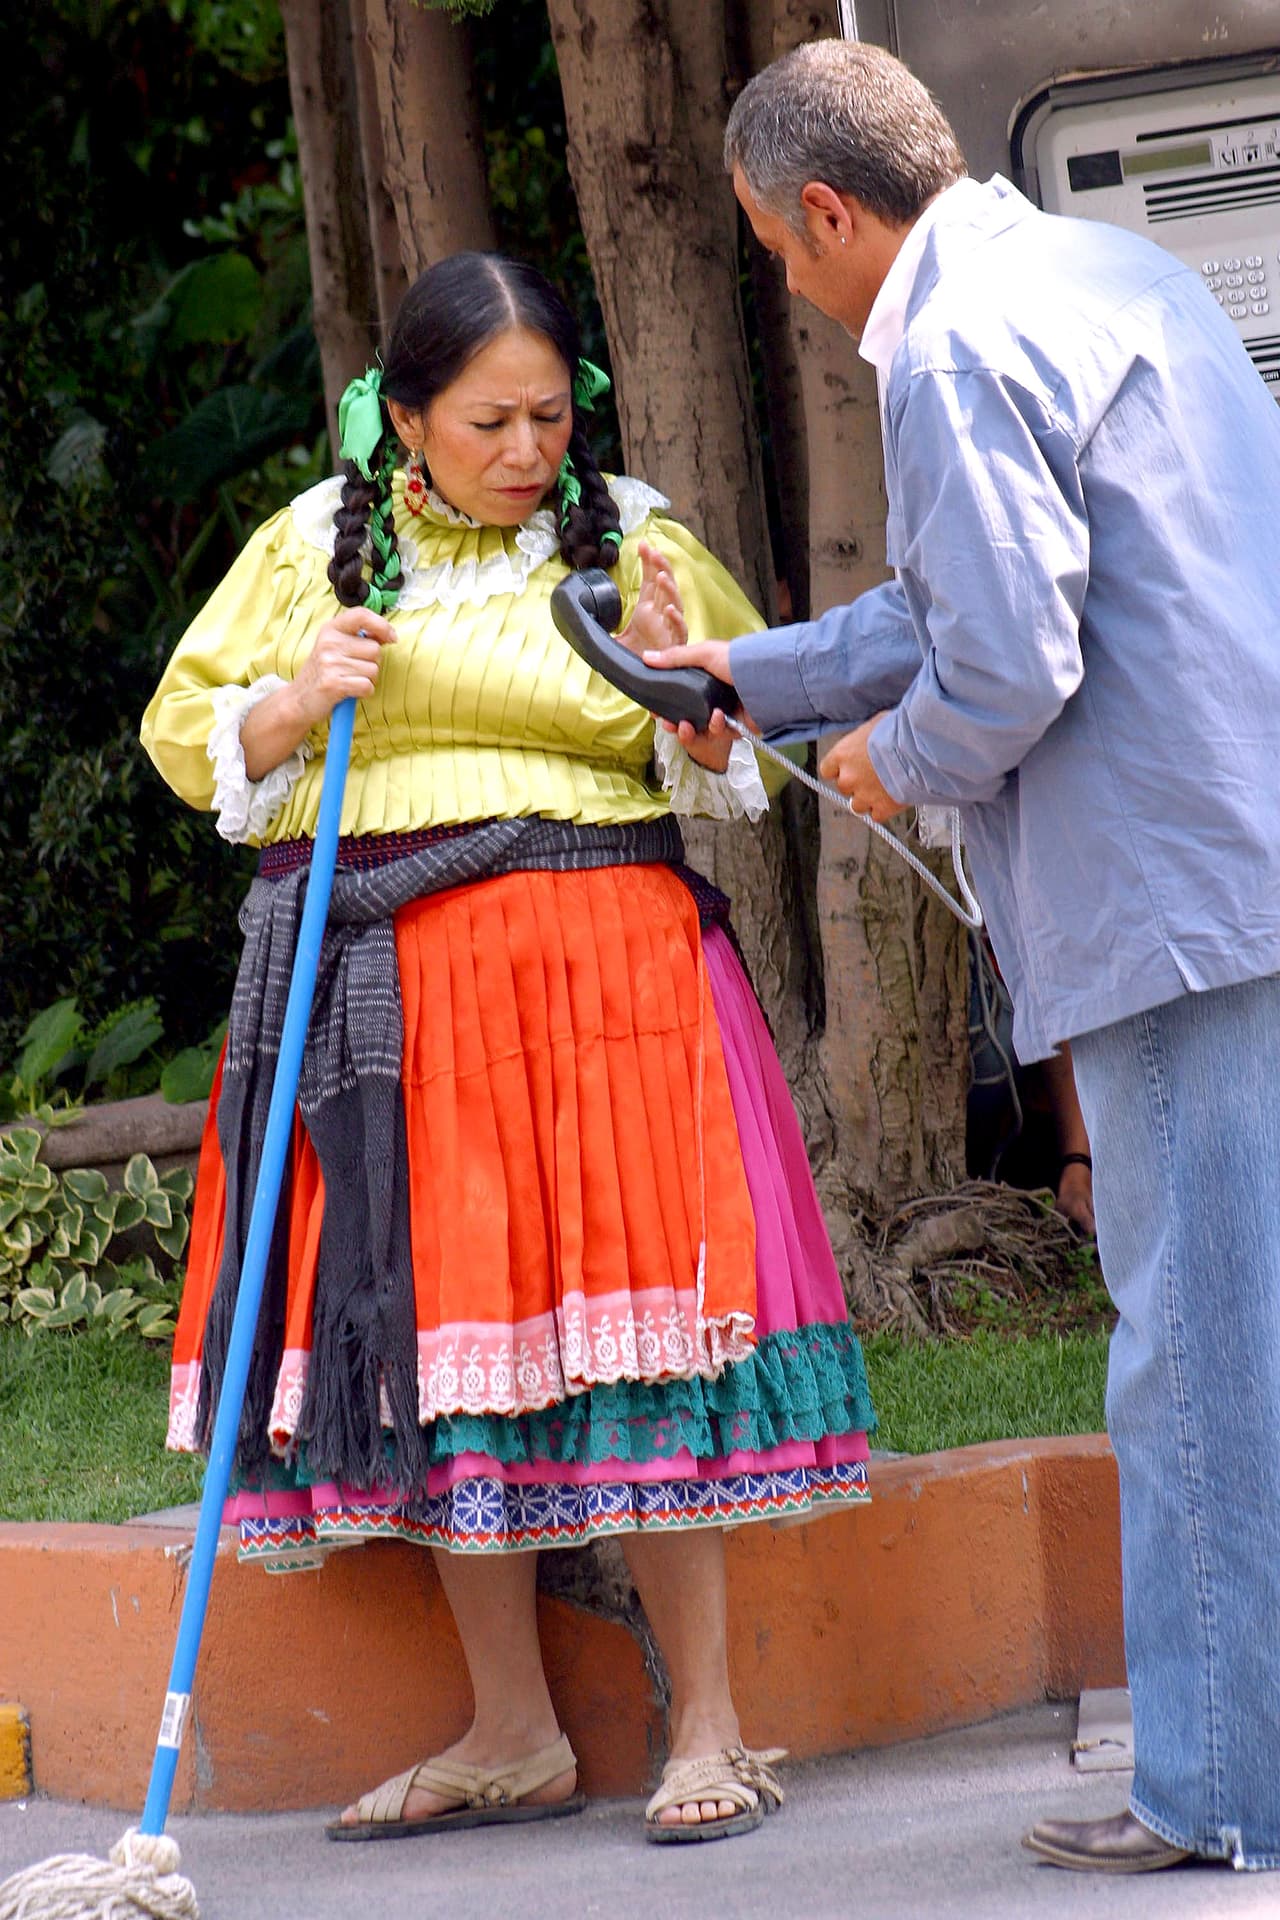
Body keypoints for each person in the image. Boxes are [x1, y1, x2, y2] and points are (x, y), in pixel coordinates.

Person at [139, 251, 875, 1848]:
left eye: (552, 415)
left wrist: (698, 702)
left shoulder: (638, 541)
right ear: (405, 419)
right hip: (399, 1015)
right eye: (487, 421)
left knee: (654, 1347)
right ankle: (513, 1734)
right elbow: (189, 729)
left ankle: (715, 1733)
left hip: (612, 993)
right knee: (441, 1353)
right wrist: (283, 704)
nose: (528, 449)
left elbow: (734, 759)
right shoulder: (313, 553)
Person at [646, 37, 1280, 1876]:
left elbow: (1000, 668)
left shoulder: (947, 343)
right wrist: (743, 679)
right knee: (1239, 1329)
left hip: (1169, 899)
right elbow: (948, 604)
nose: (787, 278)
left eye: (775, 243)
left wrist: (890, 757)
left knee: (1197, 1357)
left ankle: (1223, 1787)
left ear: (828, 210)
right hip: (1233, 862)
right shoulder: (1095, 269)